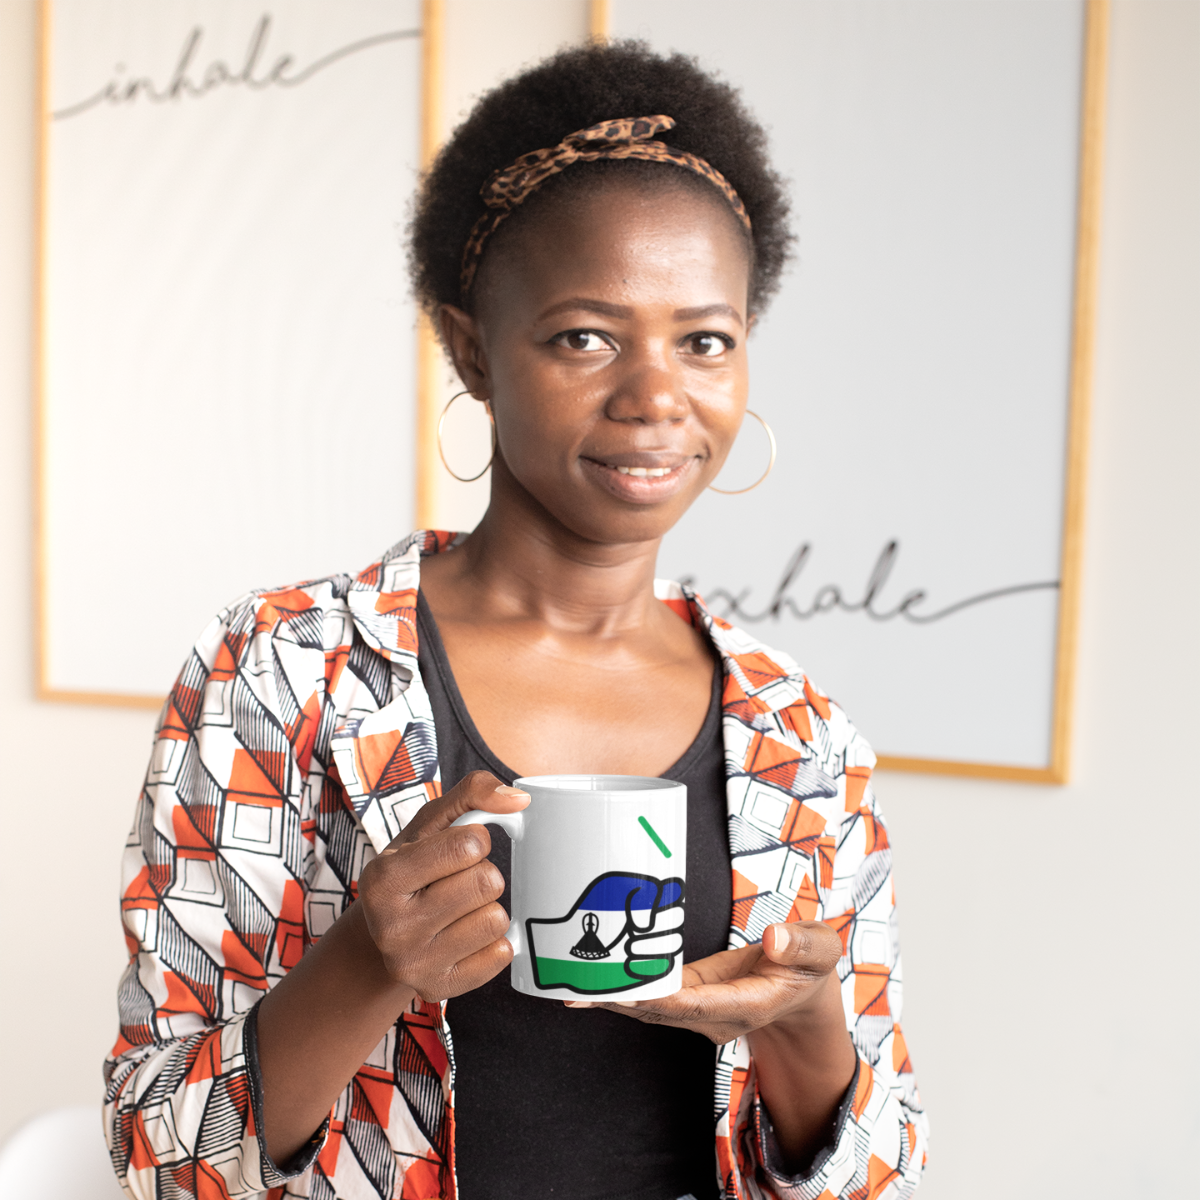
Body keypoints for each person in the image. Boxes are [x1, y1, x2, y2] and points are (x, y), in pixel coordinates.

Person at [104, 41, 928, 1200]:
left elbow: (873, 1171)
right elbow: (152, 1152)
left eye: (706, 341)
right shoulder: (284, 672)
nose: (655, 397)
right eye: (585, 336)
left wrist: (805, 1027)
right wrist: (364, 967)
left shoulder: (803, 739)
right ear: (470, 347)